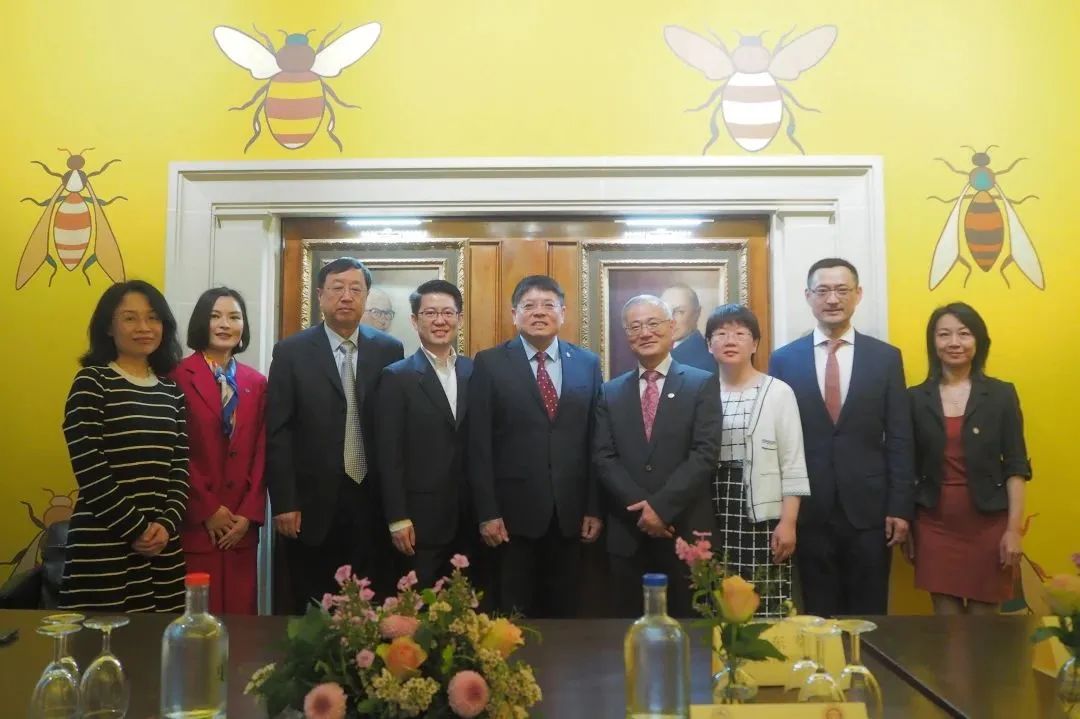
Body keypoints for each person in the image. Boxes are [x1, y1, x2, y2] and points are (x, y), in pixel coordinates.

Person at [768, 258, 914, 616]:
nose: (832, 299)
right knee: (817, 613)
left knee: (870, 613)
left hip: (870, 510)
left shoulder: (885, 358)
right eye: (822, 291)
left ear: (858, 294)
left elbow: (899, 436)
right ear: (808, 296)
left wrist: (900, 506)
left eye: (841, 290)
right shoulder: (784, 360)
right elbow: (777, 439)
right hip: (809, 509)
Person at [267, 258, 404, 613]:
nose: (346, 296)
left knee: (373, 603)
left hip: (372, 500)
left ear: (366, 297)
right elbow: (279, 431)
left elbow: (394, 429)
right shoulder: (291, 352)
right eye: (337, 288)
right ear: (320, 295)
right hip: (311, 504)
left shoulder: (389, 350)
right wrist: (284, 502)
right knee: (313, 605)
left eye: (356, 289)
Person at [468, 275, 603, 617]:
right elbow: (479, 445)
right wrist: (487, 512)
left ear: (563, 313)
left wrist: (593, 507)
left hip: (571, 515)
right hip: (511, 518)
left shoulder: (587, 363)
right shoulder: (490, 363)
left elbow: (595, 440)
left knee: (567, 614)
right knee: (513, 615)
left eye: (548, 305)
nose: (539, 312)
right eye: (529, 305)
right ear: (514, 314)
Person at [59, 280, 188, 612]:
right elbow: (89, 467)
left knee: (163, 636)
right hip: (104, 543)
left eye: (153, 317)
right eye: (130, 318)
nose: (144, 327)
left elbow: (180, 468)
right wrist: (135, 528)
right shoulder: (92, 382)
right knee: (102, 639)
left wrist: (166, 524)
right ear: (108, 327)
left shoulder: (172, 392)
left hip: (162, 547)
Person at [594, 295, 721, 618]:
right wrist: (643, 509)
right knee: (627, 629)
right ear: (626, 334)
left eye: (653, 323)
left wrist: (661, 508)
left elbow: (705, 453)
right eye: (635, 326)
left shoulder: (701, 383)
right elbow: (604, 456)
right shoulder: (610, 391)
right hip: (629, 532)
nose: (645, 332)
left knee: (692, 629)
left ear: (672, 327)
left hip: (686, 530)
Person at [906, 302, 1031, 614]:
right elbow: (905, 467)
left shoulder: (1001, 395)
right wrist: (906, 522)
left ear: (978, 341)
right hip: (933, 523)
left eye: (964, 334)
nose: (954, 342)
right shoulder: (914, 398)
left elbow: (1015, 466)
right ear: (933, 342)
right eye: (944, 334)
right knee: (947, 625)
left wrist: (1013, 530)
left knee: (984, 624)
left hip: (988, 525)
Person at [707, 304, 809, 618]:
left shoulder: (778, 392)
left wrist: (788, 522)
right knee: (717, 599)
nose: (730, 340)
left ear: (755, 344)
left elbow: (793, 462)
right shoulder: (701, 392)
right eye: (720, 334)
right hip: (712, 508)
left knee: (765, 601)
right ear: (709, 345)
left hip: (762, 513)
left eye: (740, 333)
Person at [374, 280, 473, 590]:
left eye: (448, 313)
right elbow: (388, 455)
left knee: (467, 607)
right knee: (418, 606)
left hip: (471, 519)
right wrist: (398, 517)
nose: (440, 320)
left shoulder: (475, 372)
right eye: (430, 313)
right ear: (415, 320)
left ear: (459, 318)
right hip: (420, 521)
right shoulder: (397, 376)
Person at [172, 287, 266, 615]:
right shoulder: (175, 377)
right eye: (215, 316)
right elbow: (176, 450)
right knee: (197, 621)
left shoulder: (256, 382)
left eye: (234, 317)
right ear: (201, 322)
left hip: (241, 528)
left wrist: (249, 514)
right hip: (197, 524)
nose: (225, 324)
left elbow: (262, 452)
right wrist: (208, 509)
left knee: (242, 623)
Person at [662, 284, 715, 373]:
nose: (670, 320)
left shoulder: (704, 362)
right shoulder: (654, 350)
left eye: (680, 312)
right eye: (665, 311)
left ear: (697, 313)